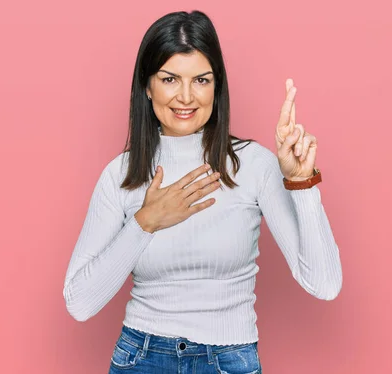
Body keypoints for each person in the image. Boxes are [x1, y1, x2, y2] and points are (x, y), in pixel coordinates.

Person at [62, 10, 342, 374]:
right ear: (147, 87)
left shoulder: (253, 165)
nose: (186, 96)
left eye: (201, 80)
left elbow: (324, 284)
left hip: (229, 359)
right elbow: (79, 303)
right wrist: (145, 222)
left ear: (217, 86)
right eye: (169, 79)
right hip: (141, 358)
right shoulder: (123, 175)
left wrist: (301, 184)